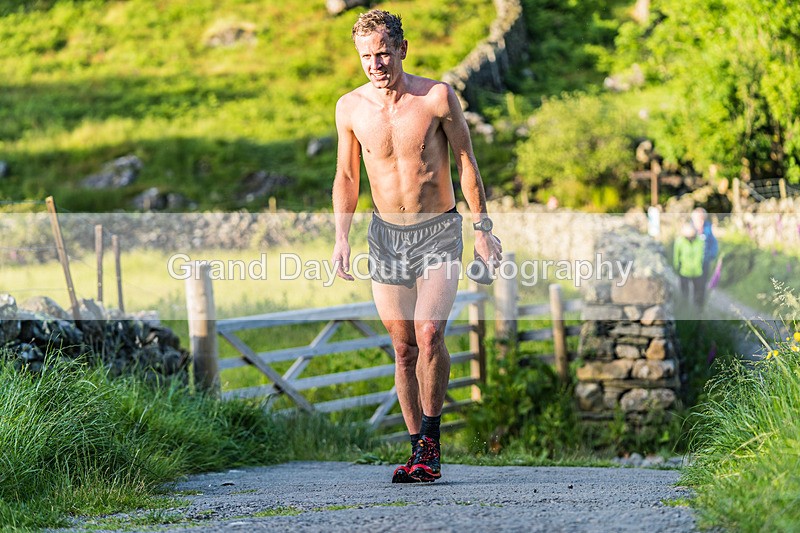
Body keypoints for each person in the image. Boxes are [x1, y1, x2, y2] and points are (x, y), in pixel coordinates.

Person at [331, 9, 502, 483]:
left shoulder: (436, 98)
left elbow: (467, 162)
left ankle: (430, 442)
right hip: (385, 236)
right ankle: (416, 451)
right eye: (366, 55)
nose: (376, 63)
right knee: (404, 348)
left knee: (429, 332)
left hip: (439, 231)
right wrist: (341, 237)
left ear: (402, 49)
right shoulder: (350, 108)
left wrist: (482, 227)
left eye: (383, 52)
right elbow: (346, 176)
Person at [673, 220, 705, 310]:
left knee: (698, 293)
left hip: (697, 271)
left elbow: (702, 254)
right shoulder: (680, 241)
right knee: (684, 293)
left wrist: (702, 265)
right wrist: (677, 267)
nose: (690, 238)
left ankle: (697, 310)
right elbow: (676, 255)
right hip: (684, 271)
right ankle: (685, 308)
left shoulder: (700, 241)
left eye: (692, 236)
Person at [691, 207, 718, 306]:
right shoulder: (689, 229)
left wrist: (711, 256)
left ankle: (699, 306)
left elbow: (714, 244)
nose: (700, 221)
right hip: (691, 263)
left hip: (704, 261)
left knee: (702, 284)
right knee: (694, 284)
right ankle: (690, 304)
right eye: (698, 218)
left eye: (702, 218)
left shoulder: (708, 228)